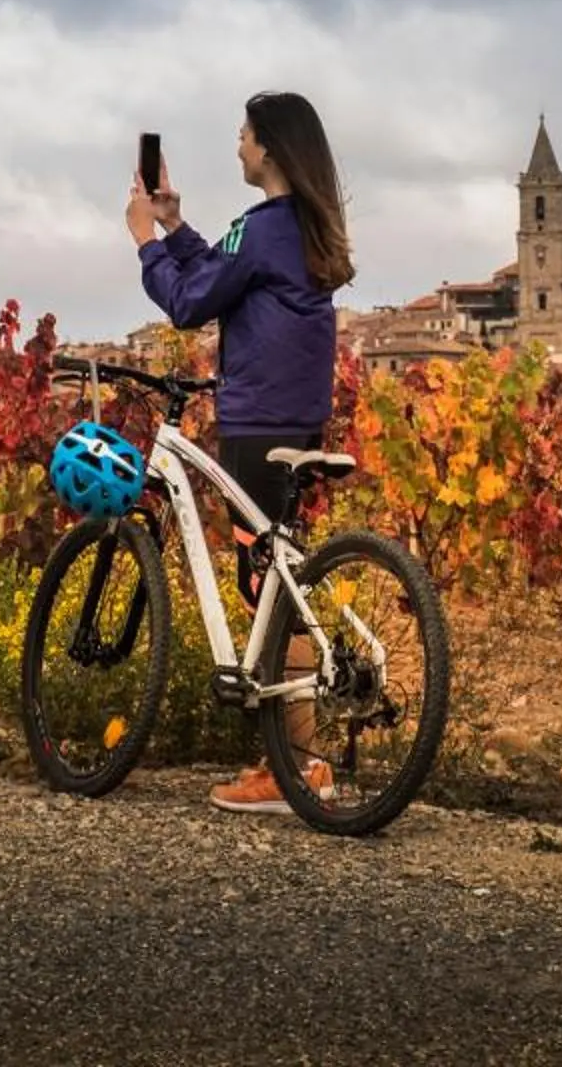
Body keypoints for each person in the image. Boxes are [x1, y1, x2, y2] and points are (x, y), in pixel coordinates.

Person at [128, 89, 355, 813]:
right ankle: (291, 760)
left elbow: (191, 301)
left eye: (245, 135)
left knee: (266, 588)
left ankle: (299, 766)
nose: (237, 144)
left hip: (257, 420)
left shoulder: (261, 228)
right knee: (277, 579)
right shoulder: (299, 227)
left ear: (271, 151)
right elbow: (226, 275)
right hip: (299, 416)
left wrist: (144, 239)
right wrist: (177, 225)